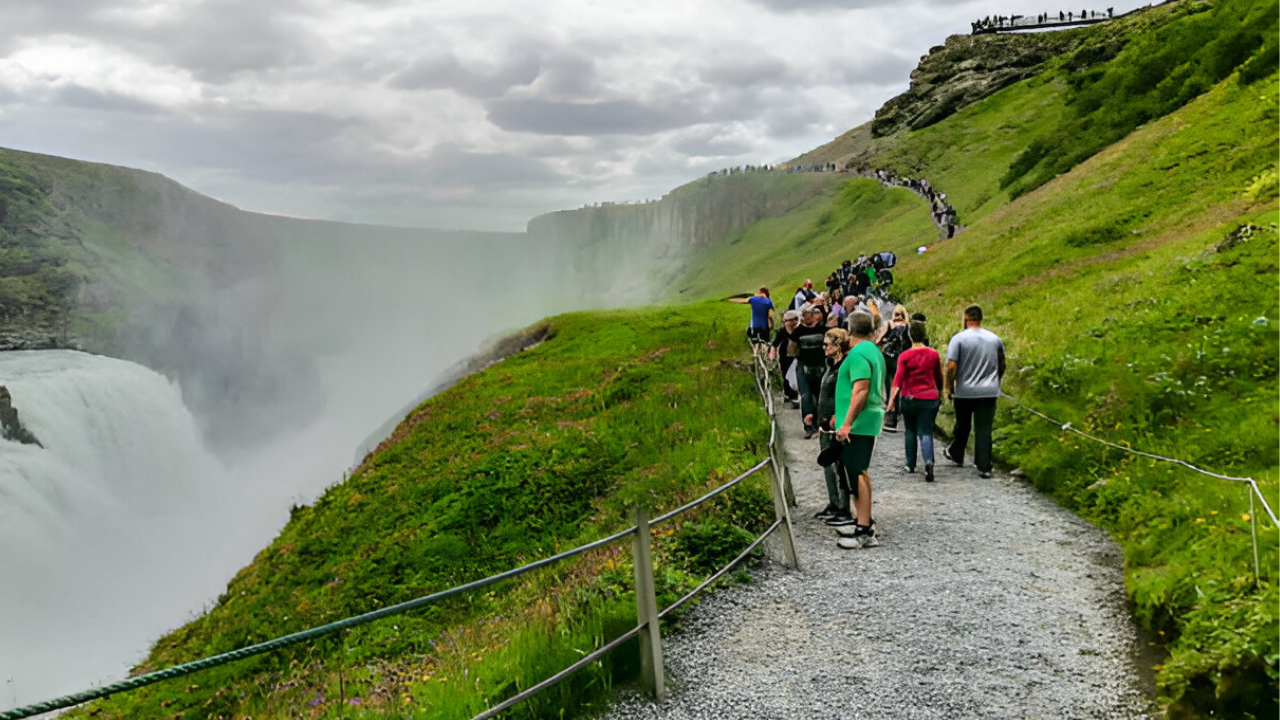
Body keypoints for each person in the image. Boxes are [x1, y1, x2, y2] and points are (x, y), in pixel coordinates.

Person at [833, 311, 885, 548]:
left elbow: (861, 390)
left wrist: (847, 423)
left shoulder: (857, 354)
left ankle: (864, 530)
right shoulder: (874, 351)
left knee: (857, 472)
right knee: (856, 472)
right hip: (865, 420)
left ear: (849, 328)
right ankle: (862, 521)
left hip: (859, 424)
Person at [943, 304, 1006, 479]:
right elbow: (1002, 364)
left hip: (965, 390)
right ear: (980, 318)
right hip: (989, 391)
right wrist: (996, 380)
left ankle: (957, 453)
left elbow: (951, 366)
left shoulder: (958, 339)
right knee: (984, 428)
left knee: (962, 425)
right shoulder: (995, 339)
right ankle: (984, 465)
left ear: (966, 318)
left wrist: (949, 386)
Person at [806, 328, 853, 525]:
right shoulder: (830, 365)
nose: (823, 348)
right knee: (828, 464)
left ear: (838, 345)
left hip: (836, 422)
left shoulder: (844, 367)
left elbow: (846, 394)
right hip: (824, 420)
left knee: (839, 465)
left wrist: (836, 417)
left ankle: (843, 506)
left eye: (827, 344)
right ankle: (833, 503)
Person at [887, 320, 943, 482]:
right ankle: (929, 460)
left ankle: (910, 464)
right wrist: (940, 390)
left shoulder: (905, 356)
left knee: (910, 430)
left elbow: (898, 380)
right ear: (924, 335)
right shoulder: (933, 354)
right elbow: (938, 376)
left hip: (909, 397)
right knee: (925, 431)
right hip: (929, 397)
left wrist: (891, 401)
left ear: (910, 335)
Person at [793, 304, 829, 438]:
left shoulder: (823, 330)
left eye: (807, 314)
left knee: (820, 394)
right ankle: (808, 425)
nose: (805, 317)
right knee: (806, 395)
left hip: (821, 366)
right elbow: (792, 349)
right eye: (803, 315)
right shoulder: (798, 331)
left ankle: (819, 422)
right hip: (804, 366)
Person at [878, 305, 911, 431]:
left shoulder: (889, 324)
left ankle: (891, 415)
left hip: (889, 358)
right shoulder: (908, 326)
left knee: (890, 386)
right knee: (902, 385)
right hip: (904, 358)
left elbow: (879, 339)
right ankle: (902, 410)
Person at [768, 310, 802, 407]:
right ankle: (788, 395)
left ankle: (795, 395)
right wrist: (772, 353)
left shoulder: (800, 329)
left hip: (797, 356)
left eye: (788, 321)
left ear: (795, 320)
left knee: (797, 375)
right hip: (784, 356)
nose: (786, 323)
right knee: (785, 375)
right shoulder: (782, 331)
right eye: (785, 321)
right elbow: (775, 343)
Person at [742, 286, 774, 356]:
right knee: (765, 340)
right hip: (764, 326)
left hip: (754, 325)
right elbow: (770, 316)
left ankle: (755, 353)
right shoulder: (768, 302)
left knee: (752, 337)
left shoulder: (755, 300)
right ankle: (766, 354)